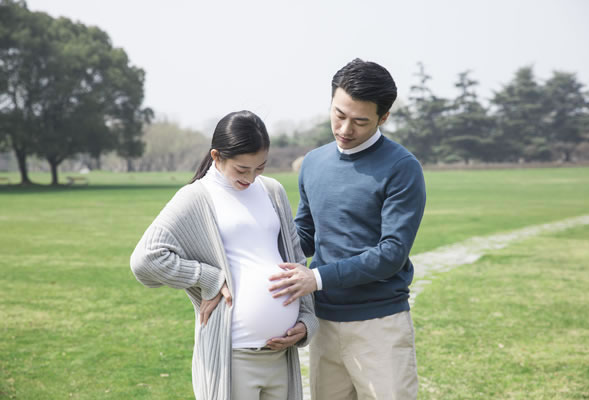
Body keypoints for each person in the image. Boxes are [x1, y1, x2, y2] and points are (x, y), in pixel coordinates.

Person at [130, 110, 318, 400]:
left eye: (260, 168)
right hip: (233, 357)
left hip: (280, 357)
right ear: (216, 156)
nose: (251, 178)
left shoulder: (273, 191)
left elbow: (296, 261)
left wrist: (306, 320)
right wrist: (210, 279)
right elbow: (145, 259)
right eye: (242, 169)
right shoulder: (196, 197)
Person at [268, 59, 426, 400]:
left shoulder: (403, 168)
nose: (344, 129)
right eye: (339, 115)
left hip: (380, 325)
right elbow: (304, 235)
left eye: (360, 121)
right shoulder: (313, 162)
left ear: (383, 118)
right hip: (322, 324)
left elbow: (392, 254)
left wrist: (317, 278)